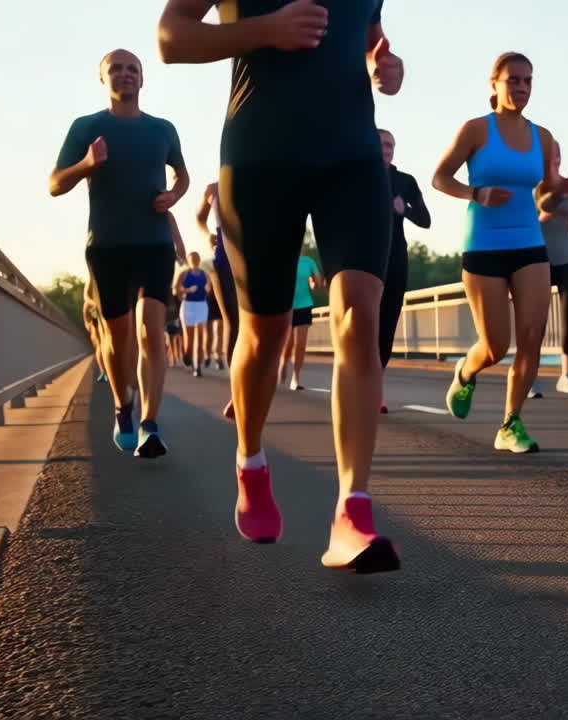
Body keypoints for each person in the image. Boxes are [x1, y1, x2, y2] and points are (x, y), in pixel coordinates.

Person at [159, 0, 406, 573]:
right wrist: (267, 30)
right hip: (260, 156)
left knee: (359, 317)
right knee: (264, 333)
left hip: (353, 156)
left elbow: (371, 38)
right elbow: (172, 38)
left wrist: (385, 68)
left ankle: (353, 510)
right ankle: (250, 460)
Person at [49, 48, 188, 459]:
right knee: (118, 336)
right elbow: (55, 184)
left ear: (143, 79)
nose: (125, 75)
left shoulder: (162, 129)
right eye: (116, 69)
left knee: (151, 330)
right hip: (107, 246)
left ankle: (150, 424)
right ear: (103, 79)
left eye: (133, 69)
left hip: (155, 244)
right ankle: (123, 405)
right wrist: (87, 164)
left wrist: (173, 195)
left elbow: (182, 174)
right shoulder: (87, 127)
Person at [433, 51, 568, 454]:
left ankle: (511, 423)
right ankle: (466, 368)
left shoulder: (542, 136)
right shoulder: (476, 130)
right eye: (513, 80)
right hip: (483, 246)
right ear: (494, 84)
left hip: (529, 243)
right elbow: (440, 177)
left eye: (528, 80)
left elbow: (543, 189)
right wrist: (476, 193)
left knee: (532, 339)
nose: (522, 87)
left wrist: (561, 187)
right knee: (495, 346)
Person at [377, 128, 432, 413]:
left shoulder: (405, 181)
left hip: (395, 260)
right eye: (382, 143)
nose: (387, 148)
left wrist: (406, 209)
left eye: (391, 144)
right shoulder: (357, 176)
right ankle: (358, 384)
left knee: (386, 325)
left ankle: (376, 391)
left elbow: (426, 220)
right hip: (363, 260)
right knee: (362, 326)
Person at [532, 140, 568, 397]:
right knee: (536, 321)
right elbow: (536, 219)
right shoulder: (533, 187)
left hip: (567, 257)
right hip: (540, 259)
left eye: (558, 155)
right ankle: (532, 377)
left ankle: (566, 374)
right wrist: (551, 203)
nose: (556, 160)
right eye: (550, 156)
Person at [196, 181, 240, 418]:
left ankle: (256, 384)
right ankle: (237, 393)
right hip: (224, 255)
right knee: (233, 322)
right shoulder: (213, 188)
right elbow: (200, 218)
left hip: (255, 248)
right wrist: (208, 235)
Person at [281, 251, 322, 390]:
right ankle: (283, 362)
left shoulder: (309, 262)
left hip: (304, 305)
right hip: (287, 306)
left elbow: (318, 284)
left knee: (300, 344)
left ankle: (296, 378)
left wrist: (314, 283)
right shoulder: (282, 259)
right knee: (288, 342)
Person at [174, 251, 210, 377]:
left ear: (199, 260)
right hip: (188, 306)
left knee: (199, 336)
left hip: (201, 305)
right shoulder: (184, 274)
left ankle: (197, 366)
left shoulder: (205, 274)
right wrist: (187, 290)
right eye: (192, 259)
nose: (194, 261)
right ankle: (187, 355)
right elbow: (175, 290)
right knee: (189, 340)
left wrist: (208, 289)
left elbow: (210, 288)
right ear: (189, 261)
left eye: (196, 258)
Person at [82, 277, 109, 383]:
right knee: (100, 344)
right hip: (95, 311)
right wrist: (96, 305)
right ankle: (103, 371)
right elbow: (87, 298)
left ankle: (109, 370)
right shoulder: (91, 279)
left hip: (107, 310)